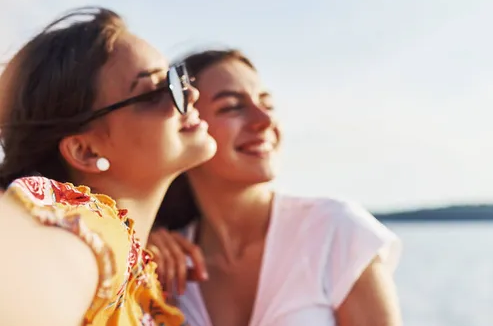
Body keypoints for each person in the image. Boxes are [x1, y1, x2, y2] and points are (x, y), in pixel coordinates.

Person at [149, 49, 403, 326]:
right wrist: (138, 251)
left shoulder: (336, 231)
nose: (264, 120)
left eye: (267, 104)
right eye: (232, 106)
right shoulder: (164, 265)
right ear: (187, 127)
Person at [0, 7, 217, 325]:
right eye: (158, 89)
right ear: (85, 151)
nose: (191, 93)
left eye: (175, 78)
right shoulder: (92, 229)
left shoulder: (140, 264)